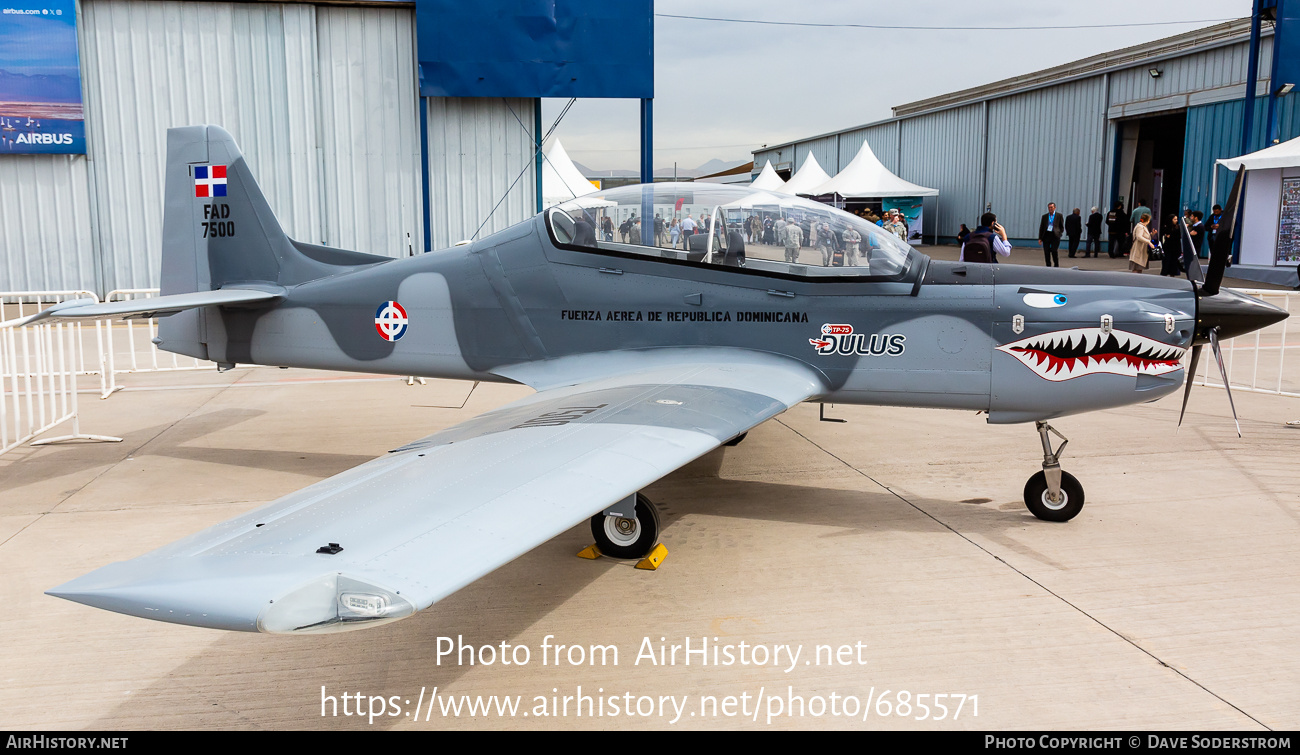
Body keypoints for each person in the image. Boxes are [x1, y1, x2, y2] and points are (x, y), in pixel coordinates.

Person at [1038, 202, 1063, 267]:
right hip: (1047, 235)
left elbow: (1061, 226)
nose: (1050, 209)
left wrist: (1059, 233)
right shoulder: (1045, 216)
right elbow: (1042, 227)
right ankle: (1048, 265)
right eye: (1049, 207)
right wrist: (1040, 238)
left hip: (1055, 235)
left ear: (1054, 208)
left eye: (1051, 207)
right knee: (1046, 251)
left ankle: (1056, 264)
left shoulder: (1059, 216)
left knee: (1054, 250)